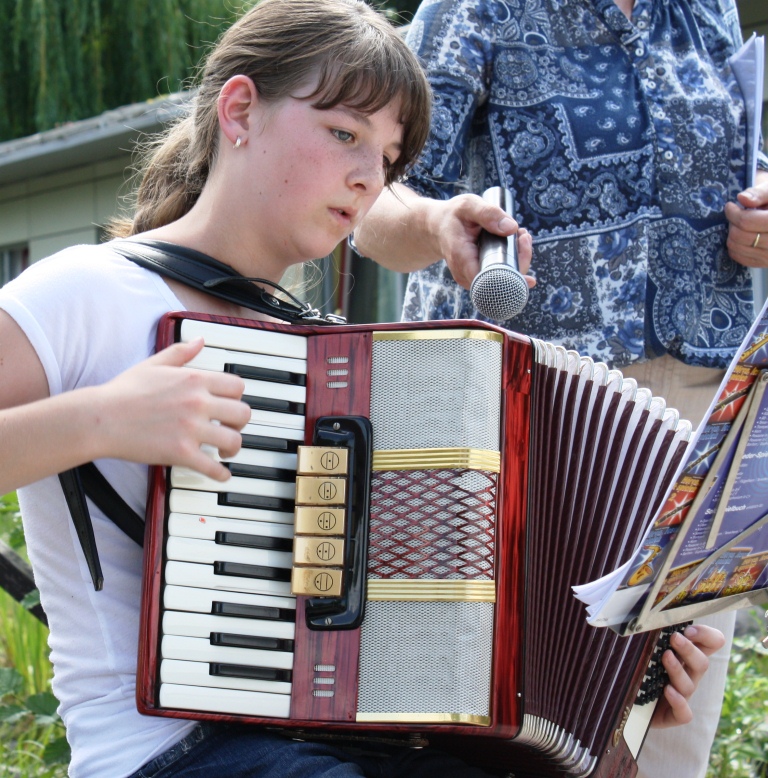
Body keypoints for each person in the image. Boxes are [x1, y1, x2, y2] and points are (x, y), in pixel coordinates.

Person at [0, 0, 724, 776]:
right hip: (166, 754)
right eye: (345, 133)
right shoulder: (89, 291)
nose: (366, 177)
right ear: (239, 110)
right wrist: (102, 420)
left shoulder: (336, 371)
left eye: (389, 159)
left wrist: (621, 681)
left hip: (337, 745)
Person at [352, 0, 768, 776]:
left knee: (664, 728)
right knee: (505, 703)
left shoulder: (705, 9)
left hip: (697, 419)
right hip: (530, 411)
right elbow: (371, 203)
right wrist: (439, 222)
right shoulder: (473, 11)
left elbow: (740, 161)